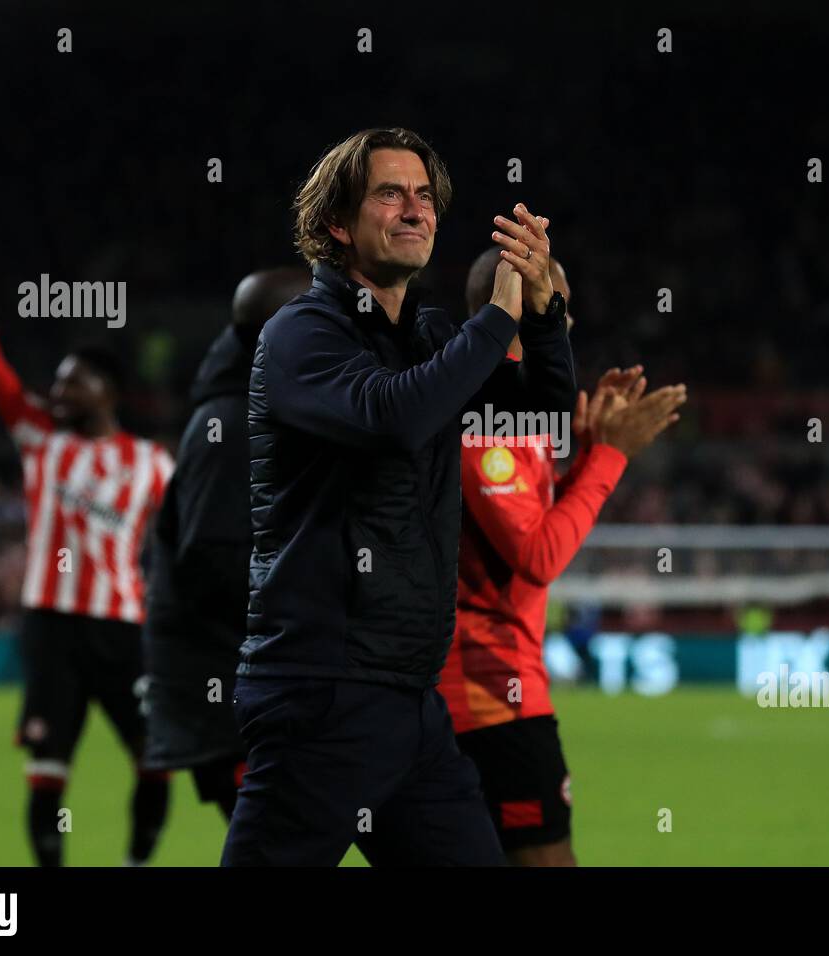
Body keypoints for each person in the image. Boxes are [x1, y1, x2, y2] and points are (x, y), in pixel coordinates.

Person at [220, 127, 576, 866]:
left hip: (413, 701)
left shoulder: (428, 337)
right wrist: (498, 320)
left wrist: (540, 314)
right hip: (321, 691)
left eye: (425, 196)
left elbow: (540, 414)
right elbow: (396, 418)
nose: (415, 209)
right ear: (337, 225)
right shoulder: (301, 336)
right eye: (390, 193)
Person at [440, 248, 686, 865]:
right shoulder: (484, 424)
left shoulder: (512, 417)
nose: (568, 322)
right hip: (490, 695)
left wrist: (588, 457)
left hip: (494, 688)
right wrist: (610, 458)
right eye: (559, 304)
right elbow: (540, 555)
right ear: (522, 306)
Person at [0, 214, 174, 866]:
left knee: (153, 756)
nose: (59, 388)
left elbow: (189, 539)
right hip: (50, 627)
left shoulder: (152, 464)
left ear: (106, 391)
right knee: (48, 768)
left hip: (123, 630)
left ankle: (136, 863)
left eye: (73, 379)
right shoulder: (39, 438)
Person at [141, 268, 311, 822]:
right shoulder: (229, 425)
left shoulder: (259, 411)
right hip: (225, 693)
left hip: (246, 682)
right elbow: (211, 562)